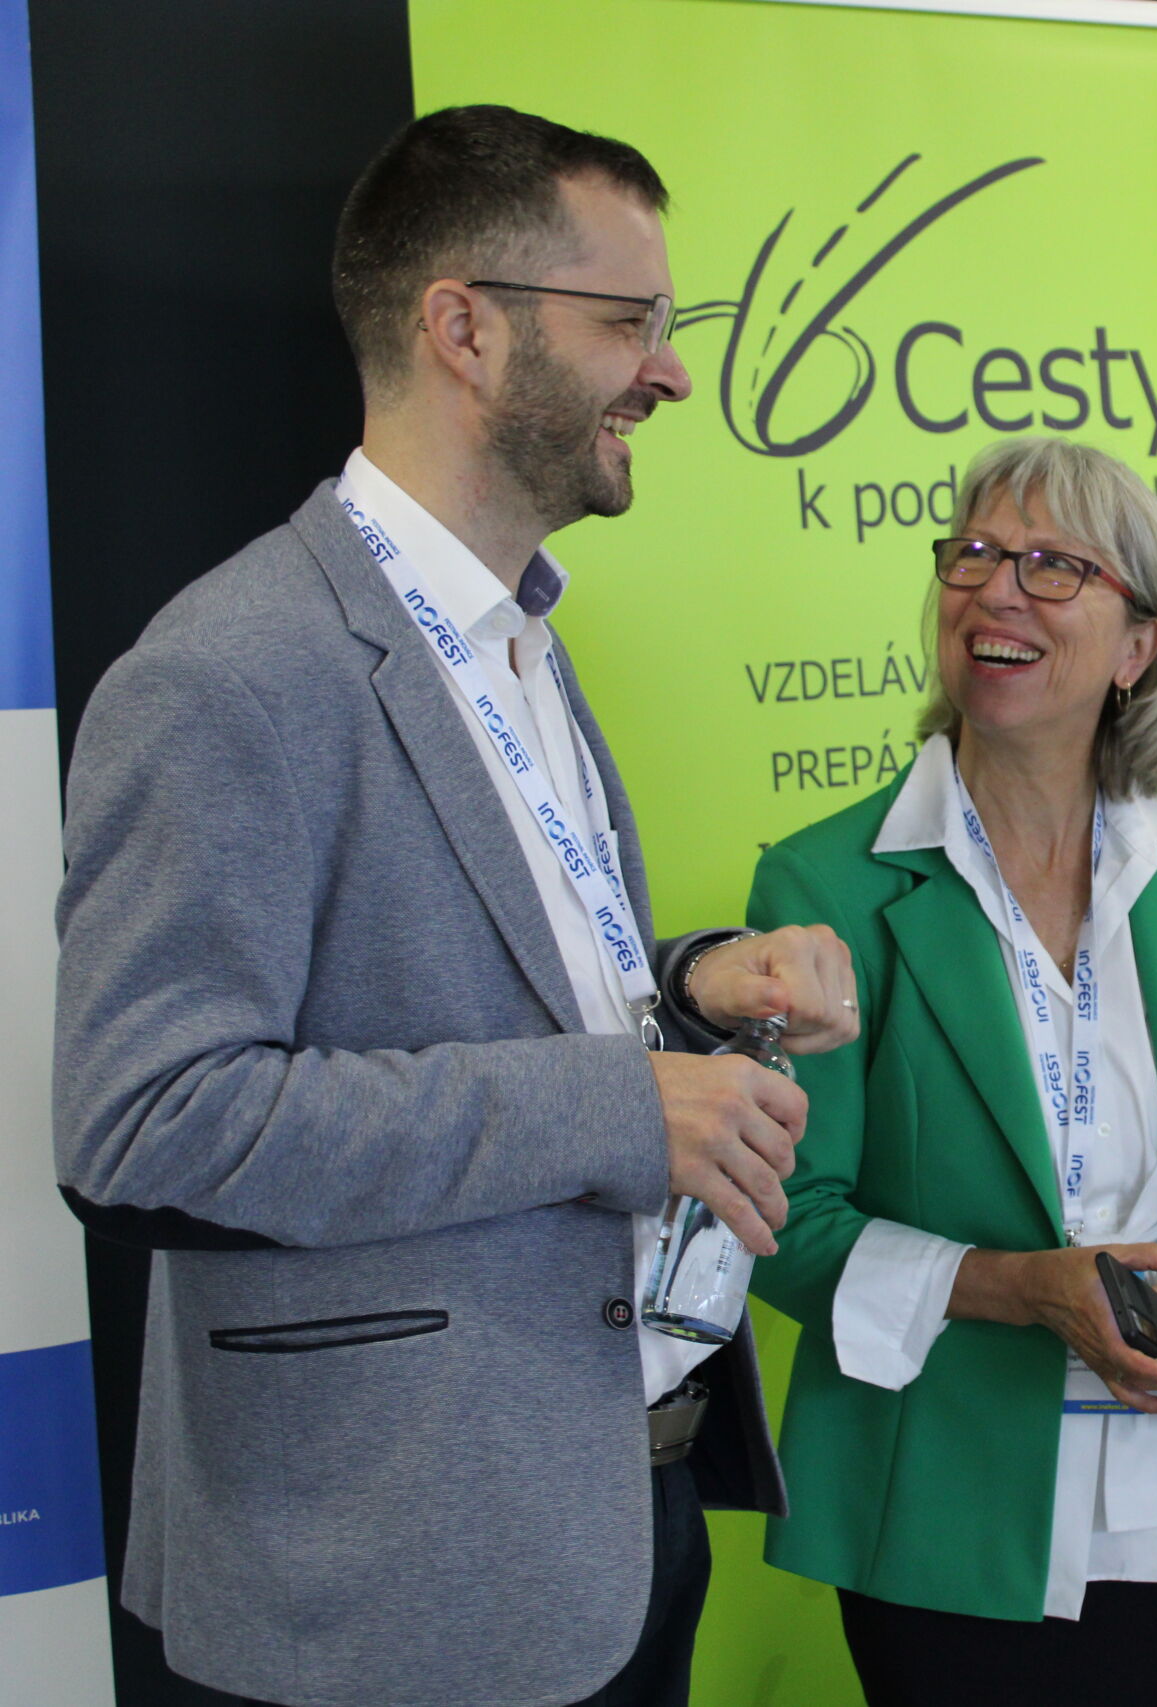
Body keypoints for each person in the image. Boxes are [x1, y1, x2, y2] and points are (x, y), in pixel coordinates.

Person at [52, 106, 861, 1707]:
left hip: (612, 1519)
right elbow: (143, 1126)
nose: (672, 372)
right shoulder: (228, 673)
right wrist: (615, 1103)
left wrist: (693, 983)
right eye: (629, 320)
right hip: (394, 1576)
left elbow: (489, 979)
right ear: (465, 328)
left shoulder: (520, 635)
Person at [740, 437, 1157, 1706]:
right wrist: (1024, 1289)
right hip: (946, 1514)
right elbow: (786, 1222)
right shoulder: (825, 885)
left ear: (1139, 648)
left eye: (1052, 567)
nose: (995, 592)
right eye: (972, 555)